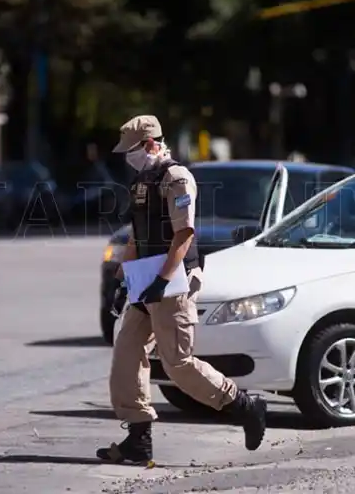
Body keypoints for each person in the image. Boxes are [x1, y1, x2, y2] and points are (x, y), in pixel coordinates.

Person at [97, 115, 267, 465]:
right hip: (145, 277)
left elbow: (184, 234)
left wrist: (163, 280)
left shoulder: (176, 178)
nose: (127, 158)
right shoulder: (142, 180)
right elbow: (136, 234)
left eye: (130, 151)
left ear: (149, 144)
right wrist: (121, 280)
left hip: (172, 280)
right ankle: (138, 438)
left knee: (178, 364)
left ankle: (244, 405)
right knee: (127, 356)